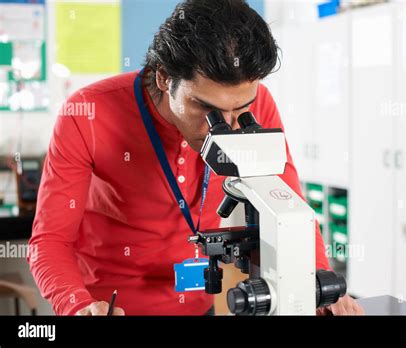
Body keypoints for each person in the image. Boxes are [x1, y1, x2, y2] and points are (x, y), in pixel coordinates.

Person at [28, 0, 364, 316]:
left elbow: (289, 203)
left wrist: (318, 282)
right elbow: (50, 242)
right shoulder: (87, 113)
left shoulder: (257, 103)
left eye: (240, 110)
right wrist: (78, 306)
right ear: (164, 78)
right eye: (206, 108)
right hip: (111, 304)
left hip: (200, 303)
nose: (224, 127)